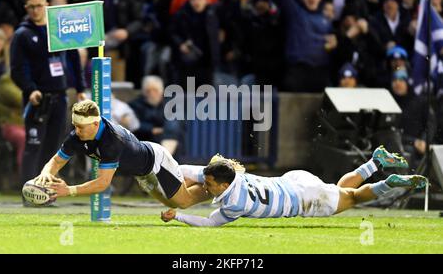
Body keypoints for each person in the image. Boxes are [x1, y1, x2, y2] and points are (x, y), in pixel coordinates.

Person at [161, 146, 426, 226]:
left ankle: (389, 184)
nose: (205, 187)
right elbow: (187, 170)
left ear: (224, 183)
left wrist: (178, 215)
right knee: (338, 189)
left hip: (303, 199)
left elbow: (209, 223)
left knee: (354, 198)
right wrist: (180, 177)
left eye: (208, 184)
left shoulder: (234, 203)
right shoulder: (231, 172)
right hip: (294, 180)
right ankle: (374, 163)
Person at [36, 100, 209, 209]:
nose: (76, 131)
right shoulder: (77, 136)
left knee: (183, 202)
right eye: (75, 126)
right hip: (142, 174)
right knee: (172, 203)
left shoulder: (111, 140)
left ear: (95, 124)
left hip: (157, 162)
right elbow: (57, 161)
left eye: (80, 127)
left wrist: (69, 191)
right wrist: (45, 173)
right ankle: (203, 176)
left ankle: (217, 180)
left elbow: (102, 183)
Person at [9, 0, 86, 195]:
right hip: (37, 98)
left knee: (53, 149)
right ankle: (28, 193)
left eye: (39, 5)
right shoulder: (22, 34)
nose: (35, 10)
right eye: (31, 6)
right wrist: (30, 89)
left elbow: (73, 58)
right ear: (26, 8)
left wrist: (79, 87)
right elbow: (17, 69)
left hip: (60, 96)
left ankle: (46, 193)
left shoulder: (58, 31)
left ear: (47, 5)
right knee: (33, 146)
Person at [391, 69, 436, 168]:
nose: (397, 83)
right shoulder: (389, 103)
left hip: (420, 145)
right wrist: (414, 141)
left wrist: (424, 140)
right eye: (394, 80)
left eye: (401, 80)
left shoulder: (420, 102)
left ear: (408, 82)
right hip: (401, 145)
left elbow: (430, 124)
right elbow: (391, 132)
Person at [129, 75, 182, 155]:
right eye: (148, 91)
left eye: (155, 90)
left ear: (161, 91)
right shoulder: (135, 105)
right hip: (145, 141)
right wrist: (151, 129)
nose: (152, 93)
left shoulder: (171, 104)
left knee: (173, 124)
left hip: (167, 138)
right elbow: (133, 124)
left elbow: (177, 124)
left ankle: (165, 157)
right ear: (143, 92)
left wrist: (164, 130)